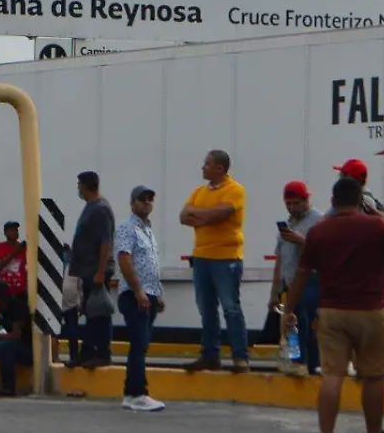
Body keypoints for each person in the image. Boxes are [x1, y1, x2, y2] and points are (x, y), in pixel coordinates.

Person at [285, 177, 384, 433]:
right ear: (358, 201)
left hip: (331, 311)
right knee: (374, 376)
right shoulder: (375, 226)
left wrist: (289, 309)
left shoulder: (318, 231)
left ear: (332, 201)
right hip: (371, 310)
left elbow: (302, 273)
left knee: (332, 375)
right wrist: (383, 220)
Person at [180, 149, 250, 373]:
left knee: (231, 308)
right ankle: (210, 356)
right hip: (201, 257)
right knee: (206, 308)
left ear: (220, 168)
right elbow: (183, 216)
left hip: (226, 258)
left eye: (207, 164)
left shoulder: (235, 190)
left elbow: (220, 214)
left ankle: (240, 357)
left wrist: (199, 216)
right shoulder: (199, 191)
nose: (203, 167)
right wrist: (207, 216)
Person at [115, 186, 165, 412]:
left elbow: (151, 263)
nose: (147, 203)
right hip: (136, 295)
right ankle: (138, 393)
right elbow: (124, 259)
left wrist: (158, 293)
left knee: (141, 345)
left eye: (150, 200)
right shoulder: (128, 227)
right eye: (142, 200)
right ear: (132, 203)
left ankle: (129, 393)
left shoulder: (148, 230)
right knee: (138, 345)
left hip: (150, 293)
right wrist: (138, 290)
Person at [267, 181, 324, 374]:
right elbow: (280, 259)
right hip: (289, 282)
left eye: (295, 203)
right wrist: (274, 292)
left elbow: (326, 252)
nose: (291, 208)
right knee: (291, 324)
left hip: (311, 280)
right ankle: (295, 360)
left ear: (305, 200)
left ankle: (312, 362)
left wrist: (301, 240)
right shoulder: (288, 225)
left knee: (309, 324)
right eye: (288, 204)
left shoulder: (318, 221)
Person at [68, 171, 115, 368]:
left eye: (79, 185)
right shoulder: (91, 207)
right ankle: (87, 352)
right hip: (87, 270)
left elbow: (105, 242)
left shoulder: (100, 209)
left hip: (96, 270)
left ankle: (102, 353)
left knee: (99, 312)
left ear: (87, 185)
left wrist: (100, 271)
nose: (78, 189)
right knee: (91, 311)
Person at [0, 283, 33, 396]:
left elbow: (16, 336)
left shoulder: (18, 307)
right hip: (11, 346)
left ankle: (8, 387)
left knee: (6, 346)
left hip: (26, 349)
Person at [0, 221, 28, 298]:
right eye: (12, 230)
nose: (15, 232)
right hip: (5, 291)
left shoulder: (24, 248)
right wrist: (14, 252)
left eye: (16, 230)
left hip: (21, 291)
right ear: (5, 233)